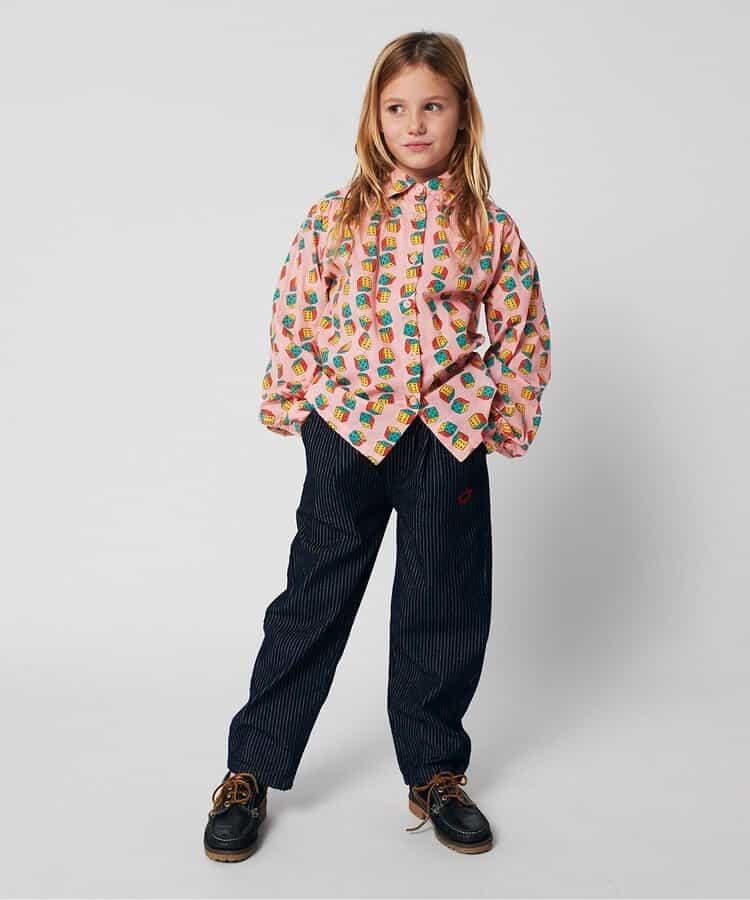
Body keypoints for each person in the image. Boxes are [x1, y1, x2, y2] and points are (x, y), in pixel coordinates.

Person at [203, 29, 552, 862]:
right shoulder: (336, 216)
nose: (415, 123)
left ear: (463, 115)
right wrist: (295, 403)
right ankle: (251, 769)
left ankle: (435, 772)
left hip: (444, 435)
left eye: (432, 106)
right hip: (347, 430)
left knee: (442, 603)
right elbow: (296, 311)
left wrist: (504, 414)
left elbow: (522, 327)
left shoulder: (487, 227)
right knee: (313, 597)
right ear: (375, 117)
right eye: (397, 108)